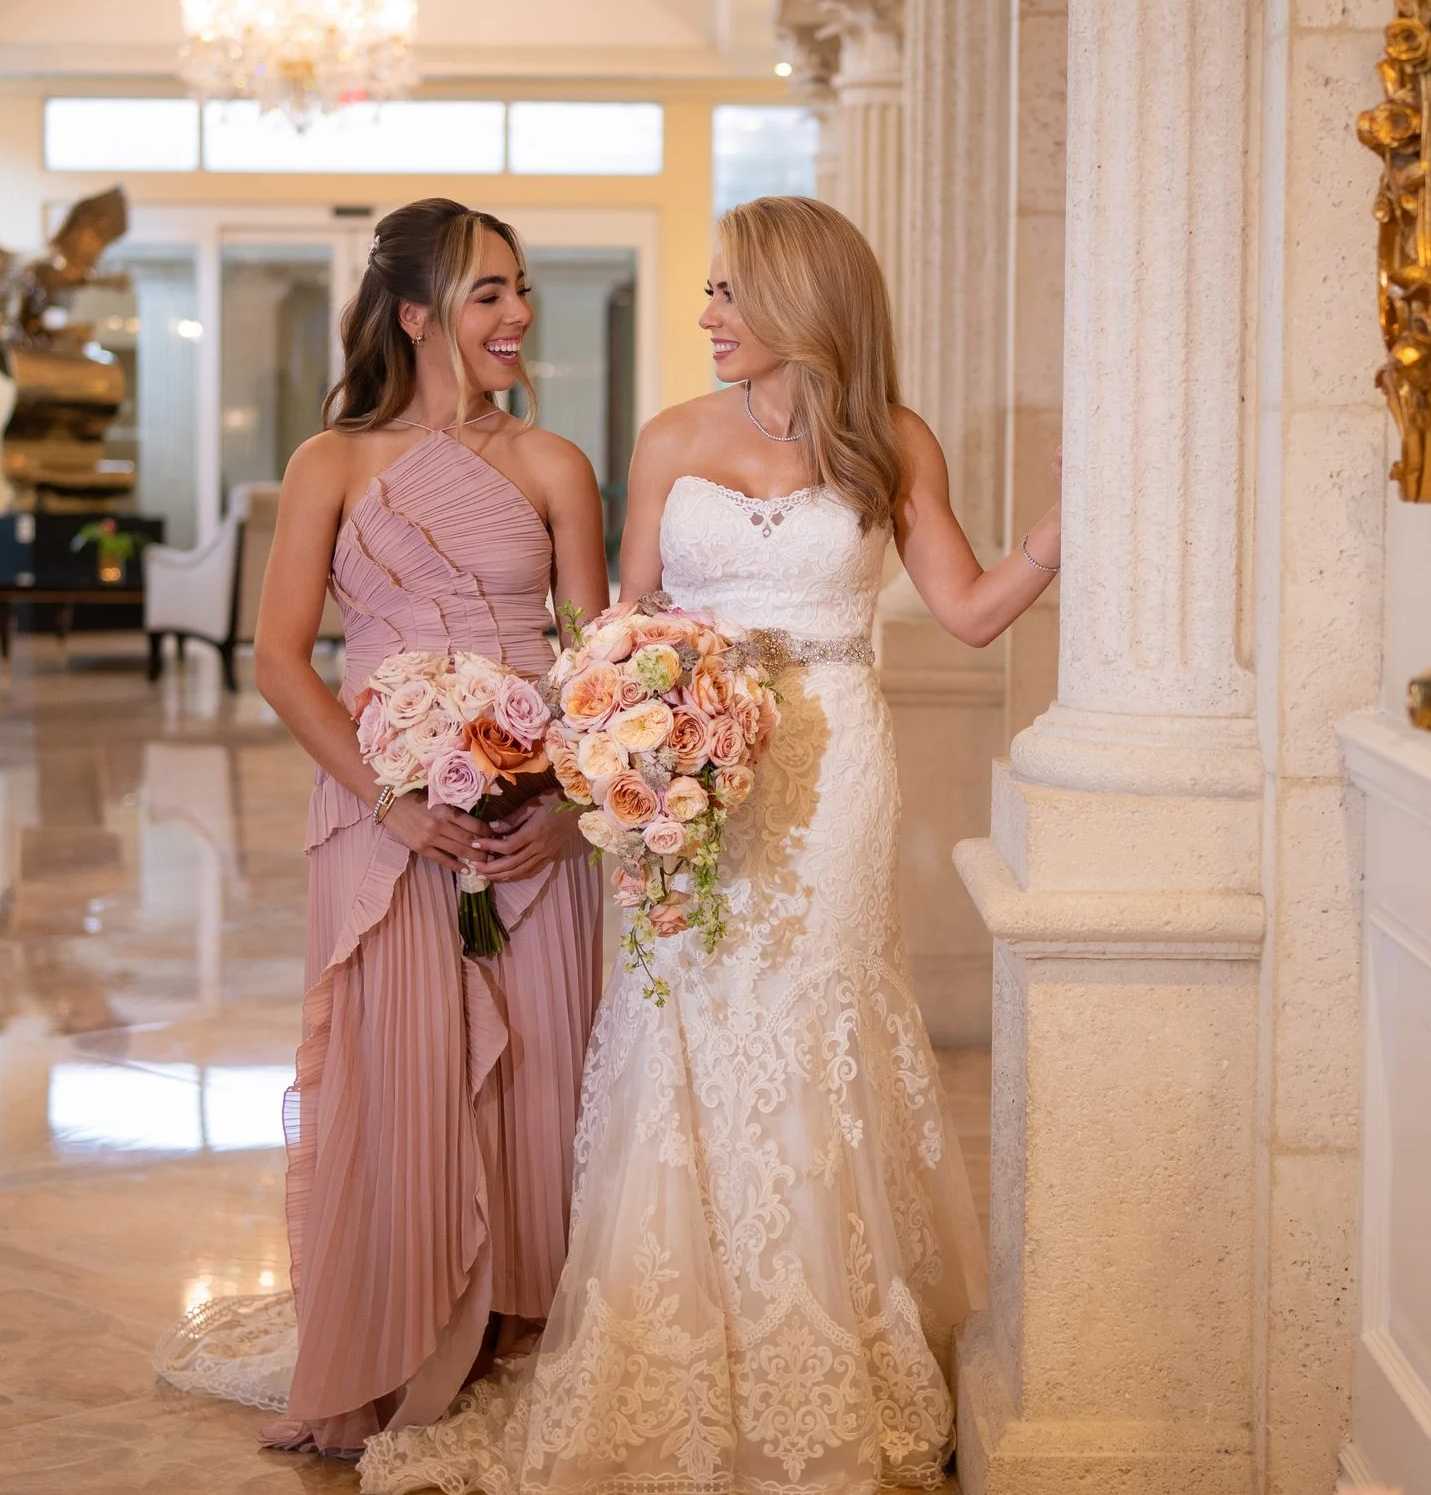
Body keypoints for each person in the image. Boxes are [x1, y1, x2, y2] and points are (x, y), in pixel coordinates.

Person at [361, 195, 1061, 1493]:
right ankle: (676, 1346)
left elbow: (965, 609)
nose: (707, 317)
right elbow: (620, 625)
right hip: (682, 774)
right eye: (710, 292)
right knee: (681, 1017)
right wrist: (617, 750)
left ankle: (823, 1353)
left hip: (832, 767)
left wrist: (1064, 532)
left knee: (813, 1019)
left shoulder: (890, 442)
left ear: (801, 297)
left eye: (730, 292)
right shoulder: (673, 434)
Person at [156, 198, 607, 1455]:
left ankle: (522, 1327)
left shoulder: (556, 464)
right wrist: (395, 802)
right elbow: (280, 659)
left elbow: (593, 665)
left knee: (542, 1077)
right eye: (487, 293)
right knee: (401, 1071)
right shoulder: (331, 464)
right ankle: (399, 1331)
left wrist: (568, 805)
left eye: (520, 290)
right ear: (416, 315)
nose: (516, 314)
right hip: (385, 824)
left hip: (531, 834)